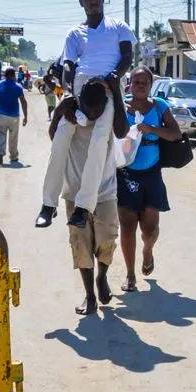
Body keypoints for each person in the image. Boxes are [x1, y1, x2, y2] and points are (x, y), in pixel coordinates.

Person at [36, 0, 135, 230]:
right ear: (81, 2)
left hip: (108, 88)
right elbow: (68, 64)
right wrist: (68, 89)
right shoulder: (74, 33)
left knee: (100, 142)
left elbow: (127, 57)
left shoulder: (119, 27)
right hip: (80, 88)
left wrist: (113, 77)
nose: (93, 1)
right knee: (61, 138)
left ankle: (83, 207)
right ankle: (48, 205)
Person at [49, 77, 129, 315]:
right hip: (74, 191)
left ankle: (102, 277)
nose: (93, 115)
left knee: (107, 240)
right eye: (88, 110)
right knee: (81, 244)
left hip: (105, 190)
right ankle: (89, 296)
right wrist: (58, 113)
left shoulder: (109, 114)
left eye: (98, 110)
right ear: (80, 102)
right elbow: (55, 139)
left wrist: (115, 90)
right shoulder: (71, 112)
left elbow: (123, 131)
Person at [117, 66, 182, 293]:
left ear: (151, 84)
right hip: (125, 172)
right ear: (130, 85)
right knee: (127, 226)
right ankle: (130, 275)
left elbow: (176, 134)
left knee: (150, 228)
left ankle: (147, 250)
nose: (141, 86)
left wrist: (151, 129)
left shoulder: (160, 107)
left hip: (152, 173)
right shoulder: (121, 106)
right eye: (136, 82)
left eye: (145, 82)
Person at [0, 67, 27, 166]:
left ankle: (0, 154)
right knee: (13, 137)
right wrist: (25, 116)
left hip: (1, 115)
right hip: (14, 116)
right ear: (14, 75)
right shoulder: (18, 87)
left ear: (5, 75)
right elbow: (23, 101)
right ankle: (13, 157)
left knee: (0, 134)